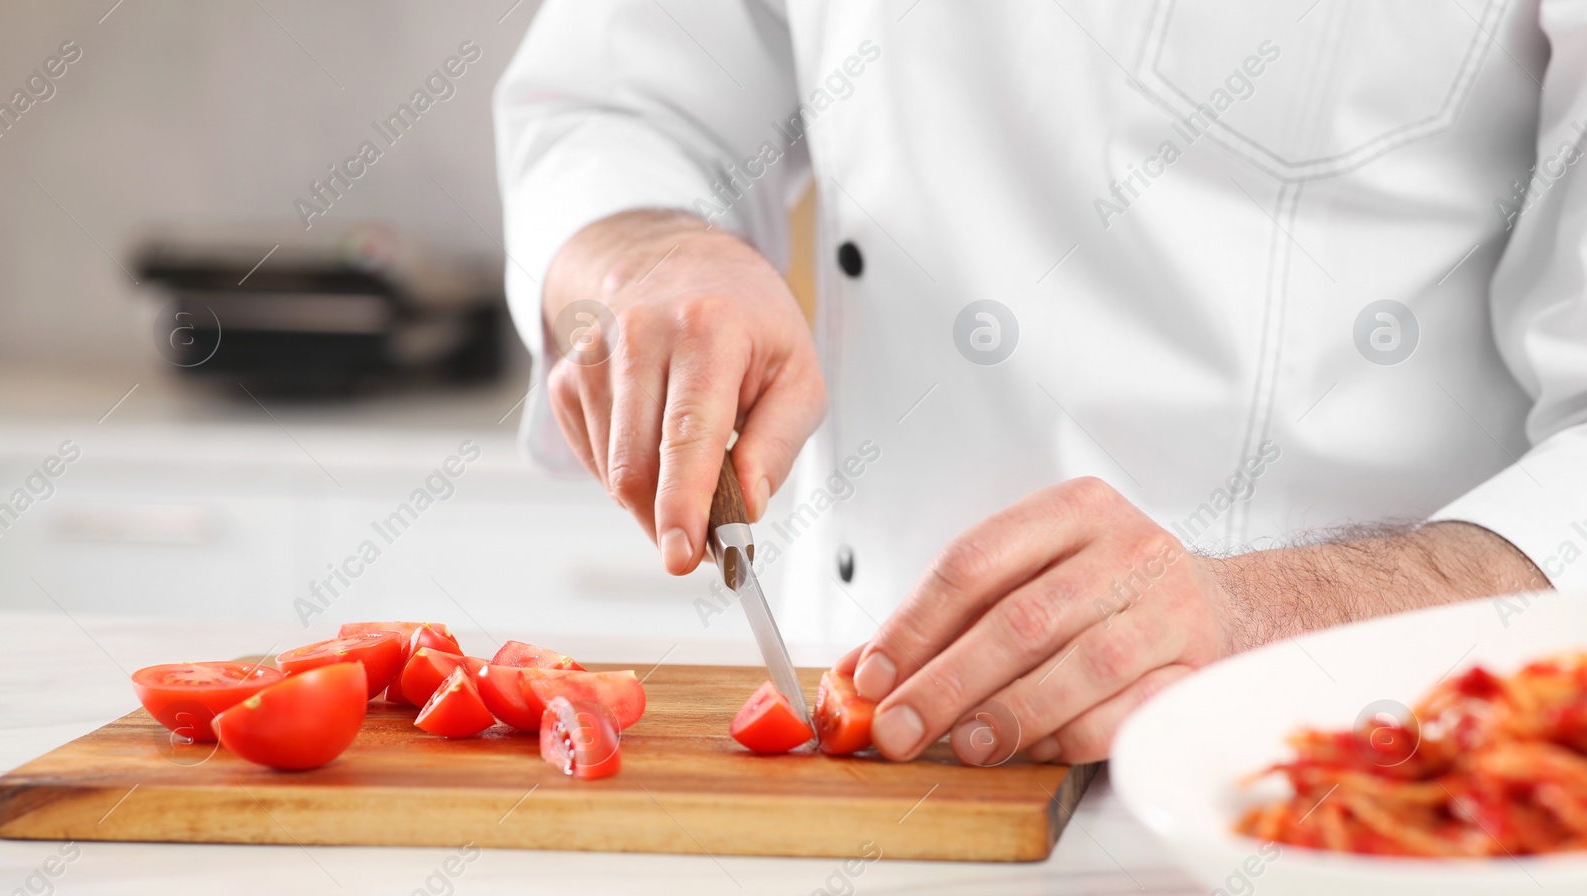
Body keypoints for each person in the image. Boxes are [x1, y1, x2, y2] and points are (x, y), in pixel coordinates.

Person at [493, 1, 1582, 767]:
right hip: (859, 757)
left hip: (1333, 781)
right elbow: (611, 103)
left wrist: (1256, 610)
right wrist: (643, 254)